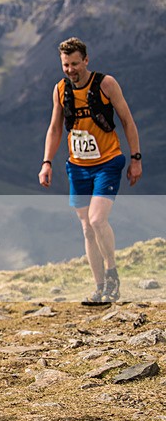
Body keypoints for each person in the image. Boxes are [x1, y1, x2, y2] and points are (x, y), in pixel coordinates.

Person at [39, 37, 141, 304]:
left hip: (108, 162)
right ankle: (99, 290)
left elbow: (127, 121)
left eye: (75, 63)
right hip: (77, 167)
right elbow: (55, 128)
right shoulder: (60, 89)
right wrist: (46, 162)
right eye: (66, 65)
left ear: (86, 60)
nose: (71, 69)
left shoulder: (106, 84)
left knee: (97, 220)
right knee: (86, 228)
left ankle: (112, 273)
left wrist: (136, 158)